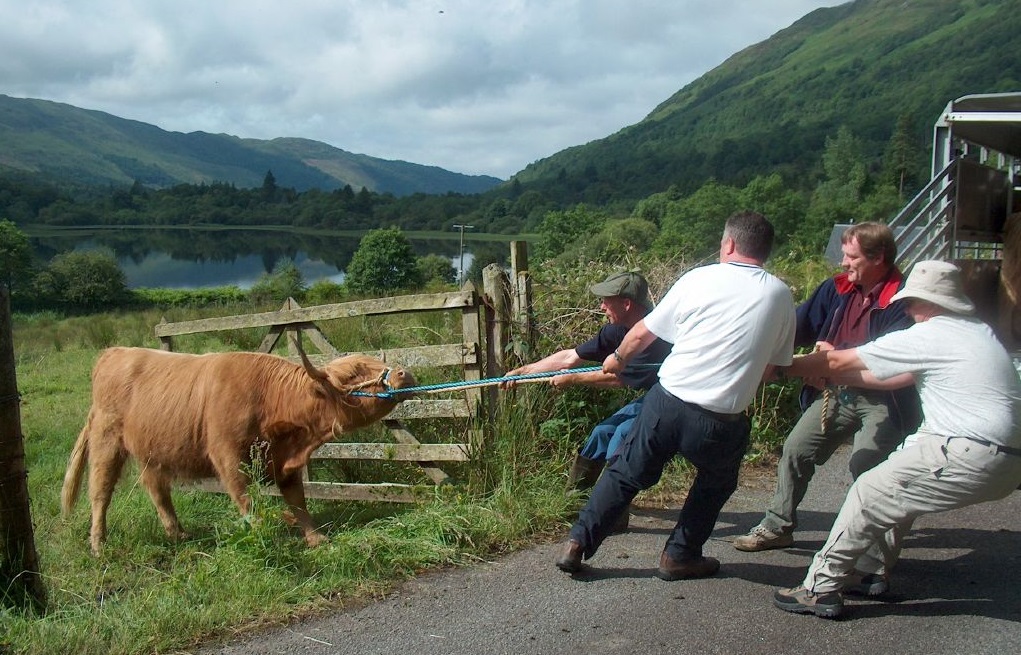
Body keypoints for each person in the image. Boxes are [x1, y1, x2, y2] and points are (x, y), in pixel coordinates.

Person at [554, 211, 796, 579]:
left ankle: (577, 544)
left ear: (729, 244)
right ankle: (679, 555)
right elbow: (772, 368)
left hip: (667, 402)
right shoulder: (781, 295)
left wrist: (616, 360)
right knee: (715, 482)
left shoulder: (698, 279)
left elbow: (640, 334)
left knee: (625, 472)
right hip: (721, 418)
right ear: (764, 250)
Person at [773, 260, 1021, 618]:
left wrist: (780, 365)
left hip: (969, 448)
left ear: (932, 302)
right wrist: (833, 375)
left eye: (911, 302)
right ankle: (870, 571)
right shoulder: (977, 331)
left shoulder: (933, 334)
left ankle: (820, 588)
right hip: (1005, 459)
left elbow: (840, 362)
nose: (906, 309)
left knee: (868, 491)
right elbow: (893, 377)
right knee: (899, 485)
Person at [733, 222, 921, 552]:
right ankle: (778, 526)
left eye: (851, 257)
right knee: (795, 450)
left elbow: (889, 361)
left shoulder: (904, 302)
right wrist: (756, 337)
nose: (843, 263)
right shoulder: (836, 289)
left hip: (884, 397)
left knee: (867, 465)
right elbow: (795, 326)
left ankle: (870, 551)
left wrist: (829, 361)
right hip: (836, 391)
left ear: (878, 259)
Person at [503, 271, 672, 497]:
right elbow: (570, 357)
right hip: (652, 396)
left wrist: (572, 379)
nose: (601, 307)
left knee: (622, 435)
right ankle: (574, 499)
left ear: (627, 303)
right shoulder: (616, 330)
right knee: (602, 432)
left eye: (606, 301)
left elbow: (618, 379)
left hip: (674, 400)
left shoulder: (654, 335)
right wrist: (523, 372)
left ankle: (612, 511)